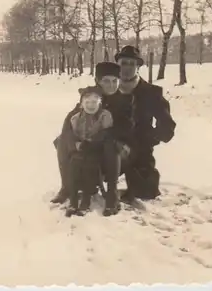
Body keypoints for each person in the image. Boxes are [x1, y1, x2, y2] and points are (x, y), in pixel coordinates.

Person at [52, 62, 134, 216]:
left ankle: (112, 193)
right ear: (98, 81)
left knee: (111, 143)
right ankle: (67, 186)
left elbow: (125, 128)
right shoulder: (91, 97)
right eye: (106, 81)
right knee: (62, 139)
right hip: (91, 148)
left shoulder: (125, 100)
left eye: (114, 81)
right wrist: (73, 142)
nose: (111, 85)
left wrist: (98, 137)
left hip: (119, 151)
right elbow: (71, 121)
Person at [114, 45, 177, 202]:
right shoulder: (109, 90)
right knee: (88, 180)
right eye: (123, 63)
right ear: (118, 66)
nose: (127, 68)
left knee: (146, 193)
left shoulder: (151, 92)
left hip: (140, 150)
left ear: (138, 66)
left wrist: (150, 138)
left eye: (132, 63)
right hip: (113, 148)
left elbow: (167, 126)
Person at [61, 86, 114, 217]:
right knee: (74, 164)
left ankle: (85, 200)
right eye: (87, 102)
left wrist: (92, 143)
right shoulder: (75, 118)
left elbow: (106, 134)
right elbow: (71, 136)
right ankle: (73, 200)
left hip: (97, 151)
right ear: (81, 104)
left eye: (94, 102)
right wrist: (76, 146)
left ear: (100, 103)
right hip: (80, 151)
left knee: (89, 165)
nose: (91, 105)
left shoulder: (104, 116)